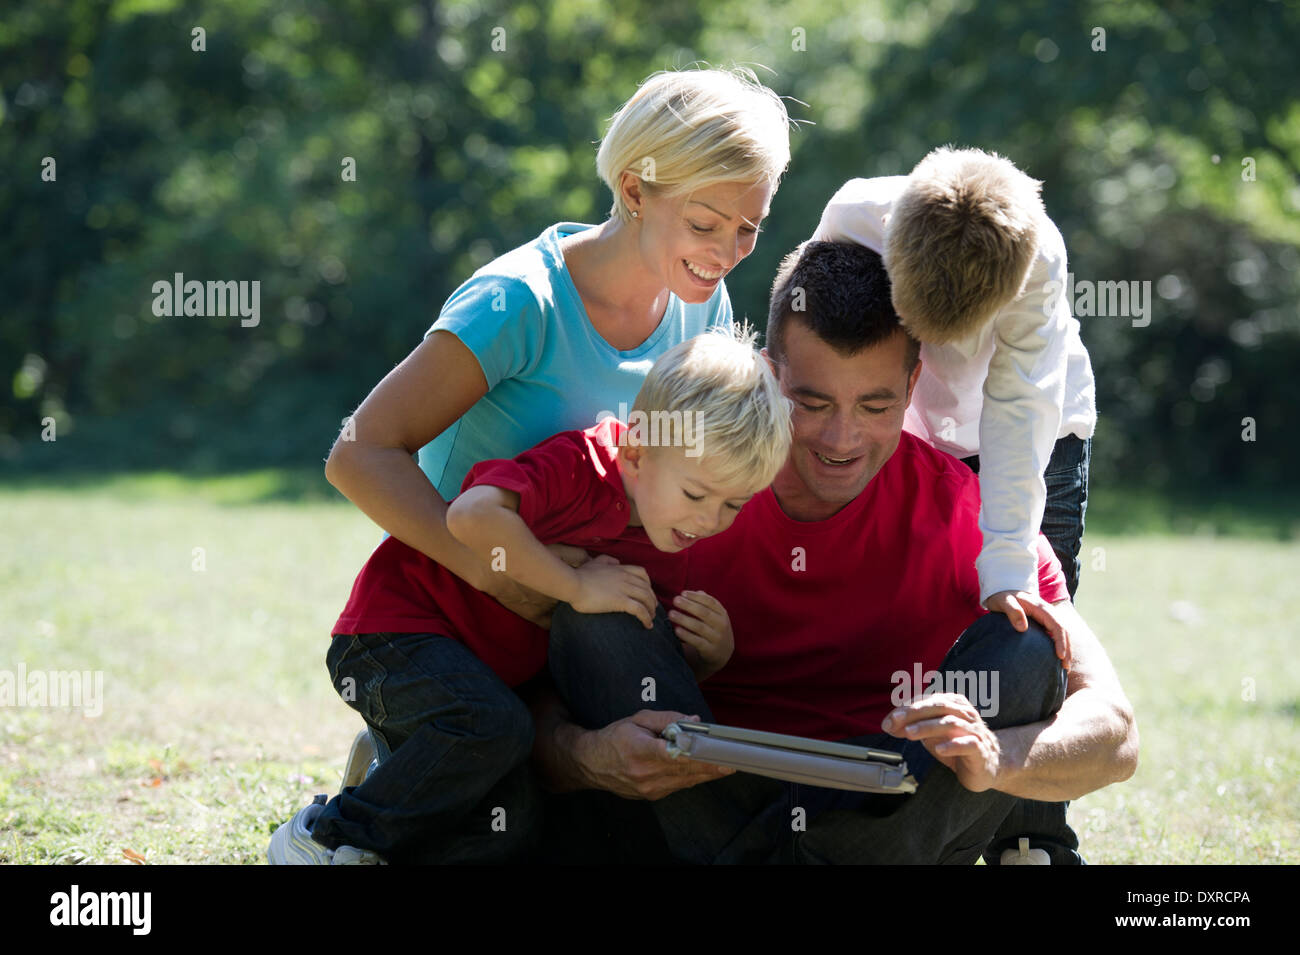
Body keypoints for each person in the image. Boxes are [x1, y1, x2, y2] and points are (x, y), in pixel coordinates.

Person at [532, 241, 1137, 864]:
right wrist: (585, 756)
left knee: (1028, 646)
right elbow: (548, 688)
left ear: (912, 386)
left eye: (875, 406)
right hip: (708, 800)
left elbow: (1116, 733)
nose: (841, 440)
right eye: (812, 404)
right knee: (592, 616)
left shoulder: (976, 520)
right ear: (771, 374)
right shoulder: (682, 490)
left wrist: (995, 758)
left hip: (889, 814)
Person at [267, 330, 791, 864]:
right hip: (399, 632)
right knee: (490, 725)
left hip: (480, 678)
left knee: (510, 824)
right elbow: (471, 515)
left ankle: (391, 785)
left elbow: (625, 665)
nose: (708, 520)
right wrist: (576, 586)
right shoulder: (581, 466)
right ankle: (326, 834)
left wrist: (706, 659)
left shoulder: (668, 537)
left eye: (735, 505)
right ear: (636, 451)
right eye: (696, 494)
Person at [324, 66, 790, 636]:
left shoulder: (703, 305)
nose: (727, 253)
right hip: (458, 611)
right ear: (635, 191)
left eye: (749, 228)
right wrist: (495, 575)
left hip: (580, 611)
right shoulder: (519, 303)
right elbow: (358, 454)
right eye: (704, 224)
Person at [812, 147, 1097, 860]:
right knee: (914, 615)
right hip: (908, 434)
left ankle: (1033, 834)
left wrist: (1007, 564)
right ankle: (877, 793)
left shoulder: (1039, 258)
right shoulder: (853, 215)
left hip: (1039, 438)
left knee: (1035, 634)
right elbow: (818, 335)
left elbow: (1018, 408)